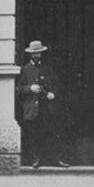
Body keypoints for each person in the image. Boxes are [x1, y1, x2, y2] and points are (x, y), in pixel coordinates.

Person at [17, 40, 68, 169]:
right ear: (30, 55)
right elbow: (18, 89)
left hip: (47, 108)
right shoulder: (25, 70)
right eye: (34, 53)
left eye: (38, 53)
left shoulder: (47, 68)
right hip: (32, 109)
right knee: (33, 134)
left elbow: (56, 85)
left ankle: (56, 159)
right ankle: (35, 159)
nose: (36, 55)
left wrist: (53, 94)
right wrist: (30, 88)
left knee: (51, 134)